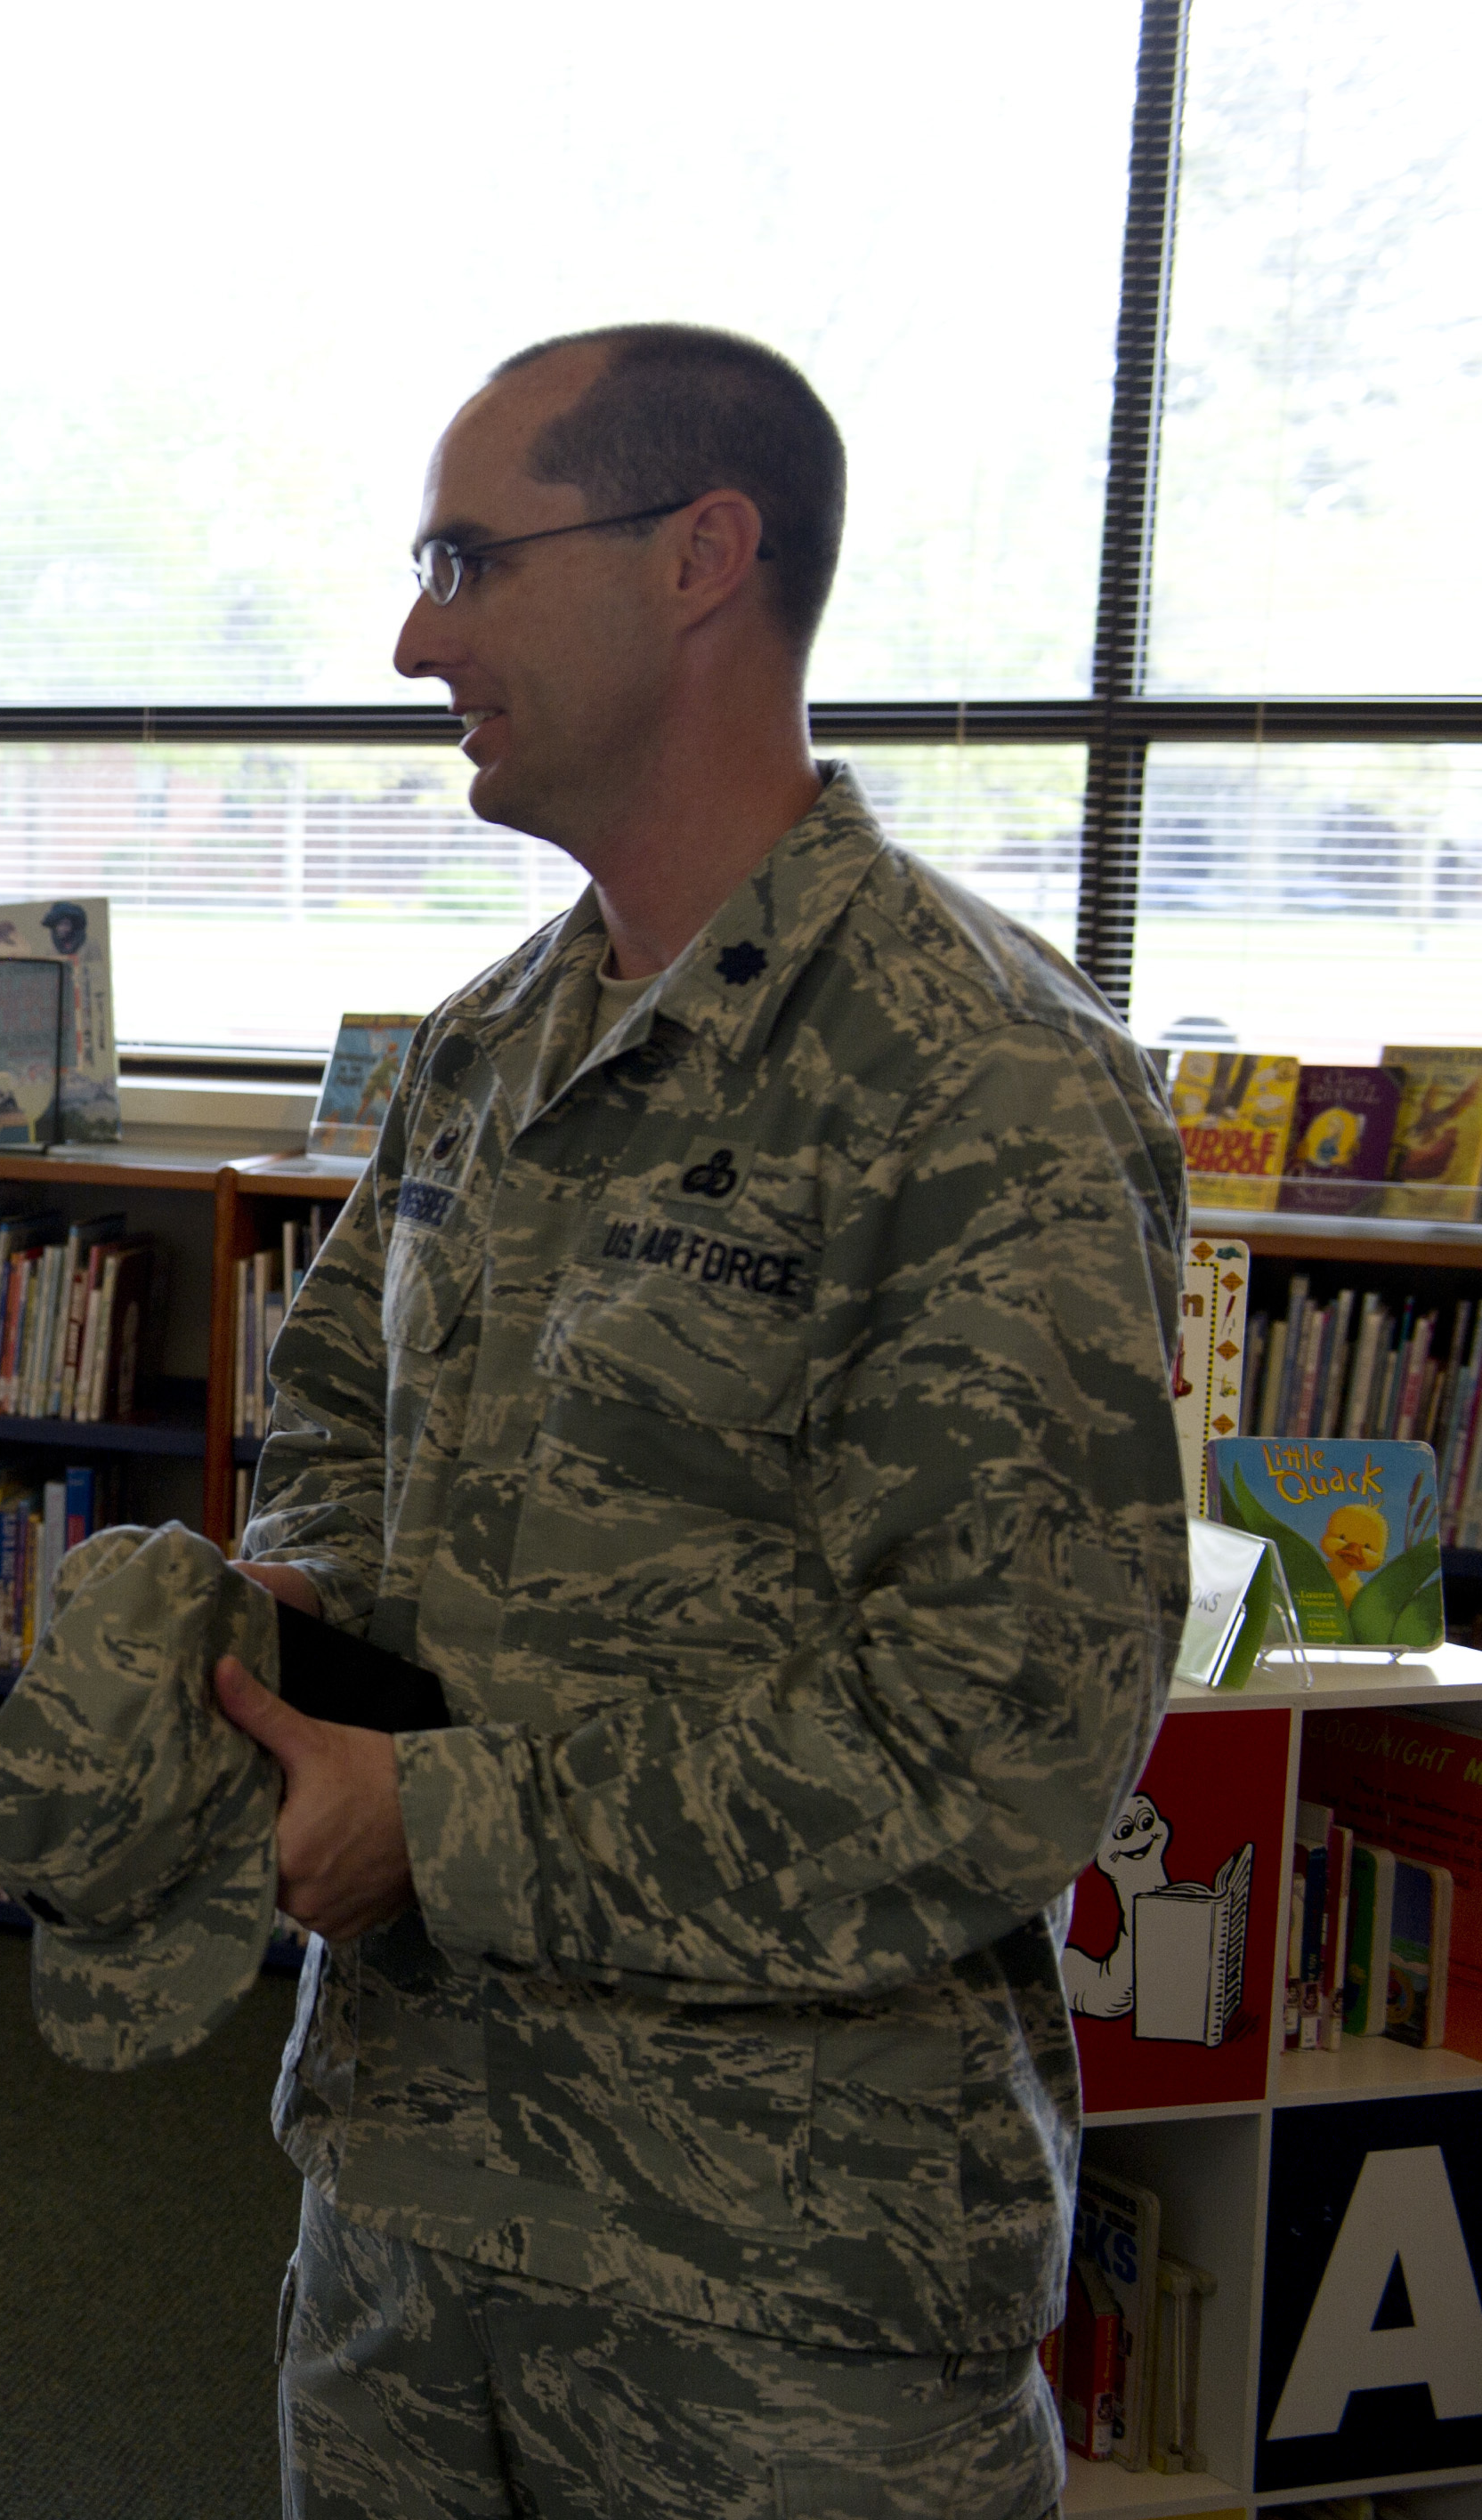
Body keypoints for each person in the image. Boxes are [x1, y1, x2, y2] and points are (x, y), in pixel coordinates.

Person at [215, 327, 1186, 2518]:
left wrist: (437, 1828)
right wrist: (280, 1645)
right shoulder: (480, 1051)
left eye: (466, 560)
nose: (409, 633)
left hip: (773, 2308)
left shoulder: (982, 1081)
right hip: (403, 2213)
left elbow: (993, 1743)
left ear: (699, 559)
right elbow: (332, 1427)